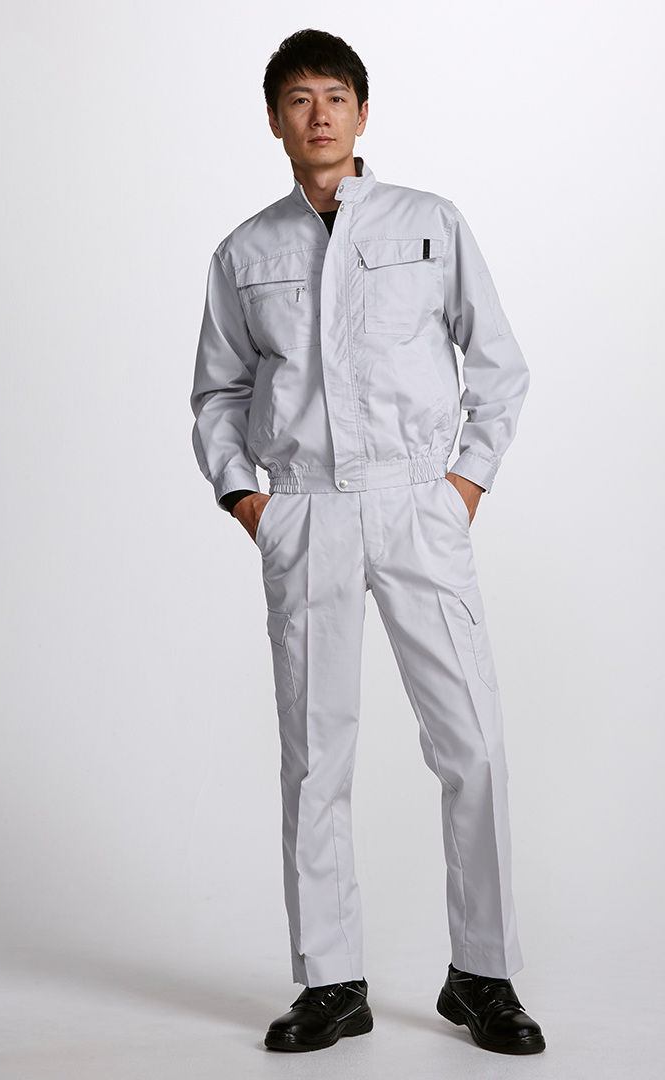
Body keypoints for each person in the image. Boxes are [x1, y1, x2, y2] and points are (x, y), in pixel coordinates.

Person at [191, 29, 544, 1055]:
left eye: (336, 96)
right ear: (275, 119)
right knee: (317, 756)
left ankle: (482, 975)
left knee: (471, 742)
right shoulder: (244, 252)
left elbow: (499, 365)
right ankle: (331, 981)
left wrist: (463, 484)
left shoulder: (430, 223)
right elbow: (218, 391)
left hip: (418, 503)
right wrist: (248, 500)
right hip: (305, 510)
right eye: (299, 99)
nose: (320, 115)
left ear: (363, 111)